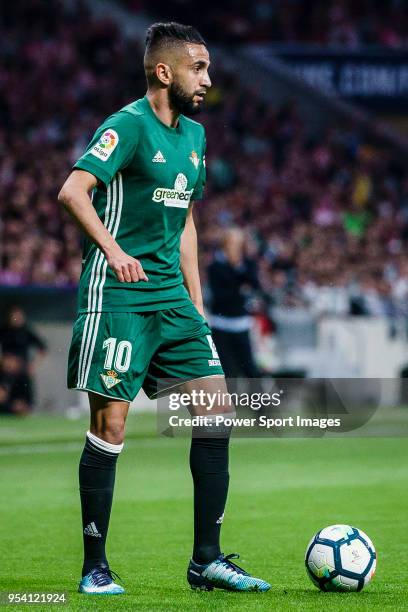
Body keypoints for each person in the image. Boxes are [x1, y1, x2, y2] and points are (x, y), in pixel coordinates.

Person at [58, 22, 270, 596]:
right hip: (119, 291)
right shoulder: (125, 125)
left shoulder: (196, 137)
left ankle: (207, 561)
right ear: (164, 71)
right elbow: (73, 191)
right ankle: (94, 567)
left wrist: (195, 300)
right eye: (198, 68)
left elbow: (186, 225)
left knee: (215, 411)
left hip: (172, 298)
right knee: (112, 424)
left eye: (208, 68)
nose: (207, 79)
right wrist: (115, 251)